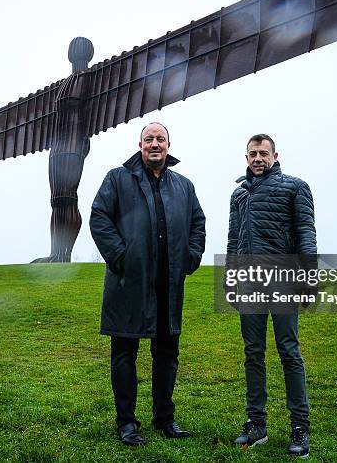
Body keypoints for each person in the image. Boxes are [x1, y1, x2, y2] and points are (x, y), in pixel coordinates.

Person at [90, 122, 206, 446]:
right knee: (124, 354)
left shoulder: (184, 186)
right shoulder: (117, 178)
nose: (155, 144)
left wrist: (190, 258)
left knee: (167, 354)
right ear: (139, 144)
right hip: (128, 282)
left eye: (160, 139)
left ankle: (165, 419)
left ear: (169, 145)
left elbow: (198, 223)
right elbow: (99, 217)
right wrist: (120, 258)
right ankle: (127, 423)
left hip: (169, 284)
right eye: (149, 139)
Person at [228, 133, 316, 458]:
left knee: (289, 352)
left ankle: (300, 428)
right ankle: (256, 424)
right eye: (253, 153)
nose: (258, 158)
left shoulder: (296, 187)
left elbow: (307, 232)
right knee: (253, 353)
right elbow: (232, 241)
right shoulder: (239, 195)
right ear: (246, 157)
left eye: (264, 153)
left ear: (275, 156)